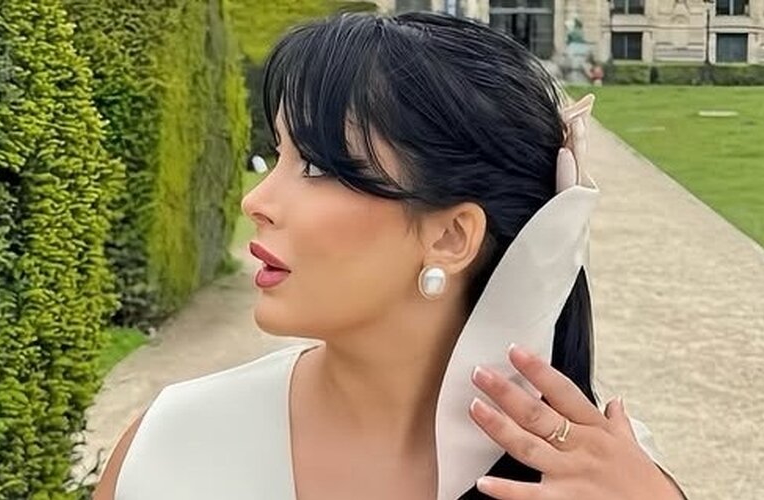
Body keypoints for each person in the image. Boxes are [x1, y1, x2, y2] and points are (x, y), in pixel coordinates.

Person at [94, 12, 684, 500]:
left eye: (316, 166)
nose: (256, 201)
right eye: (277, 155)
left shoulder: (602, 480)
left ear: (451, 237)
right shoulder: (171, 445)